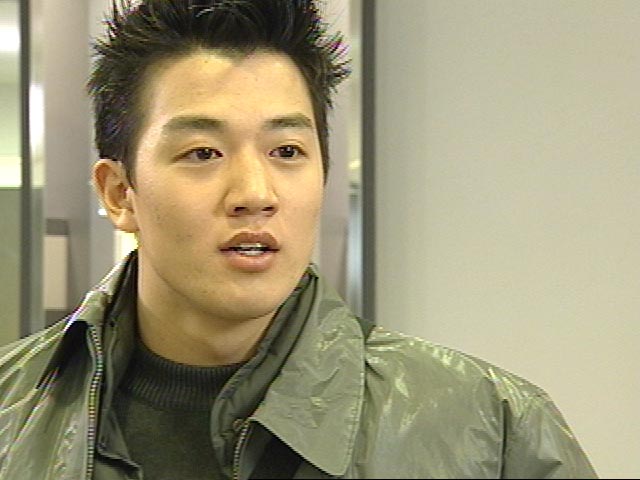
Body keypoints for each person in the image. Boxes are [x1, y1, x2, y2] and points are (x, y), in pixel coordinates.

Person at [0, 1, 598, 478]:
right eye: (203, 152)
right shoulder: (13, 413)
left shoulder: (489, 429)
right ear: (119, 193)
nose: (255, 192)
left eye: (286, 151)